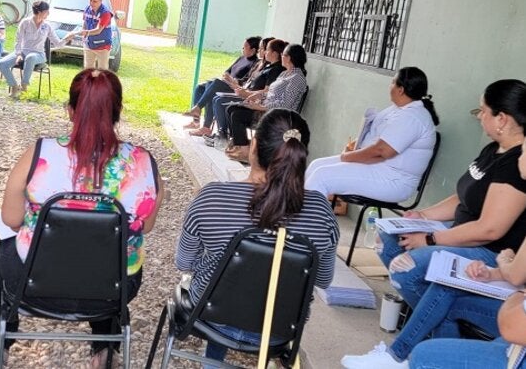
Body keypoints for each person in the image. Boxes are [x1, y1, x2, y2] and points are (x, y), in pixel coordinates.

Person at [0, 69, 164, 368]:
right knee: (119, 249)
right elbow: (145, 226)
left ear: (70, 111)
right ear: (118, 111)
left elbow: (11, 218)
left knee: (7, 240)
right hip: (110, 291)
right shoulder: (143, 163)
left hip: (32, 283)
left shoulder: (39, 154)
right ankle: (105, 348)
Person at [341, 79, 526, 368]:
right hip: (458, 235)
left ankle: (401, 354)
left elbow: (489, 229)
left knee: (412, 270)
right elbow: (462, 198)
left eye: (482, 111)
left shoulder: (516, 164)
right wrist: (423, 217)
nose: (479, 117)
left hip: (487, 249)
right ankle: (433, 340)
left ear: (502, 119)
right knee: (391, 241)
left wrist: (428, 240)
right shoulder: (493, 151)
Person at [175, 108, 339, 366]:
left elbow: (184, 262)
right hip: (279, 327)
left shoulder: (213, 198)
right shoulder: (321, 211)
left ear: (253, 147)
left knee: (220, 286)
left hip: (210, 314)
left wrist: (220, 268)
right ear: (301, 154)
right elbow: (323, 279)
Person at [410, 140, 526, 368]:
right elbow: (515, 272)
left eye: (525, 152)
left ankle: (400, 354)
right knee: (449, 302)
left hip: (517, 338)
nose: (520, 157)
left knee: (424, 357)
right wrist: (494, 273)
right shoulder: (491, 150)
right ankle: (399, 352)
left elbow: (514, 325)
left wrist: (516, 291)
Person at [305, 67, 440, 202]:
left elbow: (381, 152)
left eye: (393, 82)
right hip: (378, 168)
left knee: (321, 176)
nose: (390, 86)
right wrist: (355, 148)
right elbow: (376, 140)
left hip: (394, 180)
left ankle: (306, 220)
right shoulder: (397, 110)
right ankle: (296, 214)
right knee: (316, 165)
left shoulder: (413, 117)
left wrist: (348, 157)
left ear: (401, 90)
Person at [224, 43, 308, 162]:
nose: (281, 57)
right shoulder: (285, 73)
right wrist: (257, 95)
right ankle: (241, 145)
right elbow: (271, 92)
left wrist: (261, 107)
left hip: (277, 116)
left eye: (283, 55)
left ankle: (245, 151)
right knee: (231, 108)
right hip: (266, 109)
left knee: (237, 115)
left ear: (289, 58)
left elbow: (286, 104)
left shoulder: (297, 78)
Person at [202, 38, 287, 141]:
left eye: (266, 49)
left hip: (253, 99)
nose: (264, 52)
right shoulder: (267, 66)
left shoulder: (276, 69)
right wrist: (239, 86)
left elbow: (266, 91)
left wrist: (246, 93)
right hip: (245, 93)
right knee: (214, 93)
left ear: (274, 53)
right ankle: (223, 134)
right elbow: (247, 81)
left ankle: (223, 136)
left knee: (219, 100)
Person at [0, 0, 74, 98]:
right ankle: (14, 86)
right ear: (39, 12)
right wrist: (19, 54)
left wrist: (67, 38)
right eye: (47, 11)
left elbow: (58, 44)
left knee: (31, 57)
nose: (48, 14)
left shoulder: (47, 26)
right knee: (2, 64)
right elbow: (18, 40)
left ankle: (24, 86)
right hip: (23, 52)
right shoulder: (25, 23)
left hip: (39, 55)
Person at [183, 36, 260, 128]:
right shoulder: (241, 58)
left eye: (245, 47)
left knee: (214, 85)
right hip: (226, 83)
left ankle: (205, 124)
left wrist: (232, 80)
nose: (242, 48)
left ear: (253, 50)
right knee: (200, 87)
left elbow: (246, 81)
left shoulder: (255, 63)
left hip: (235, 89)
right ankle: (196, 122)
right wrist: (226, 76)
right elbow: (227, 71)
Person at [71, 0, 114, 70]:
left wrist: (85, 33)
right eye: (90, 0)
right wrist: (84, 35)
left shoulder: (105, 13)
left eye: (95, 1)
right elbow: (85, 23)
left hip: (103, 46)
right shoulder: (87, 9)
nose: (92, 3)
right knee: (88, 70)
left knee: (102, 71)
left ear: (101, 1)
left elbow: (98, 30)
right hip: (89, 44)